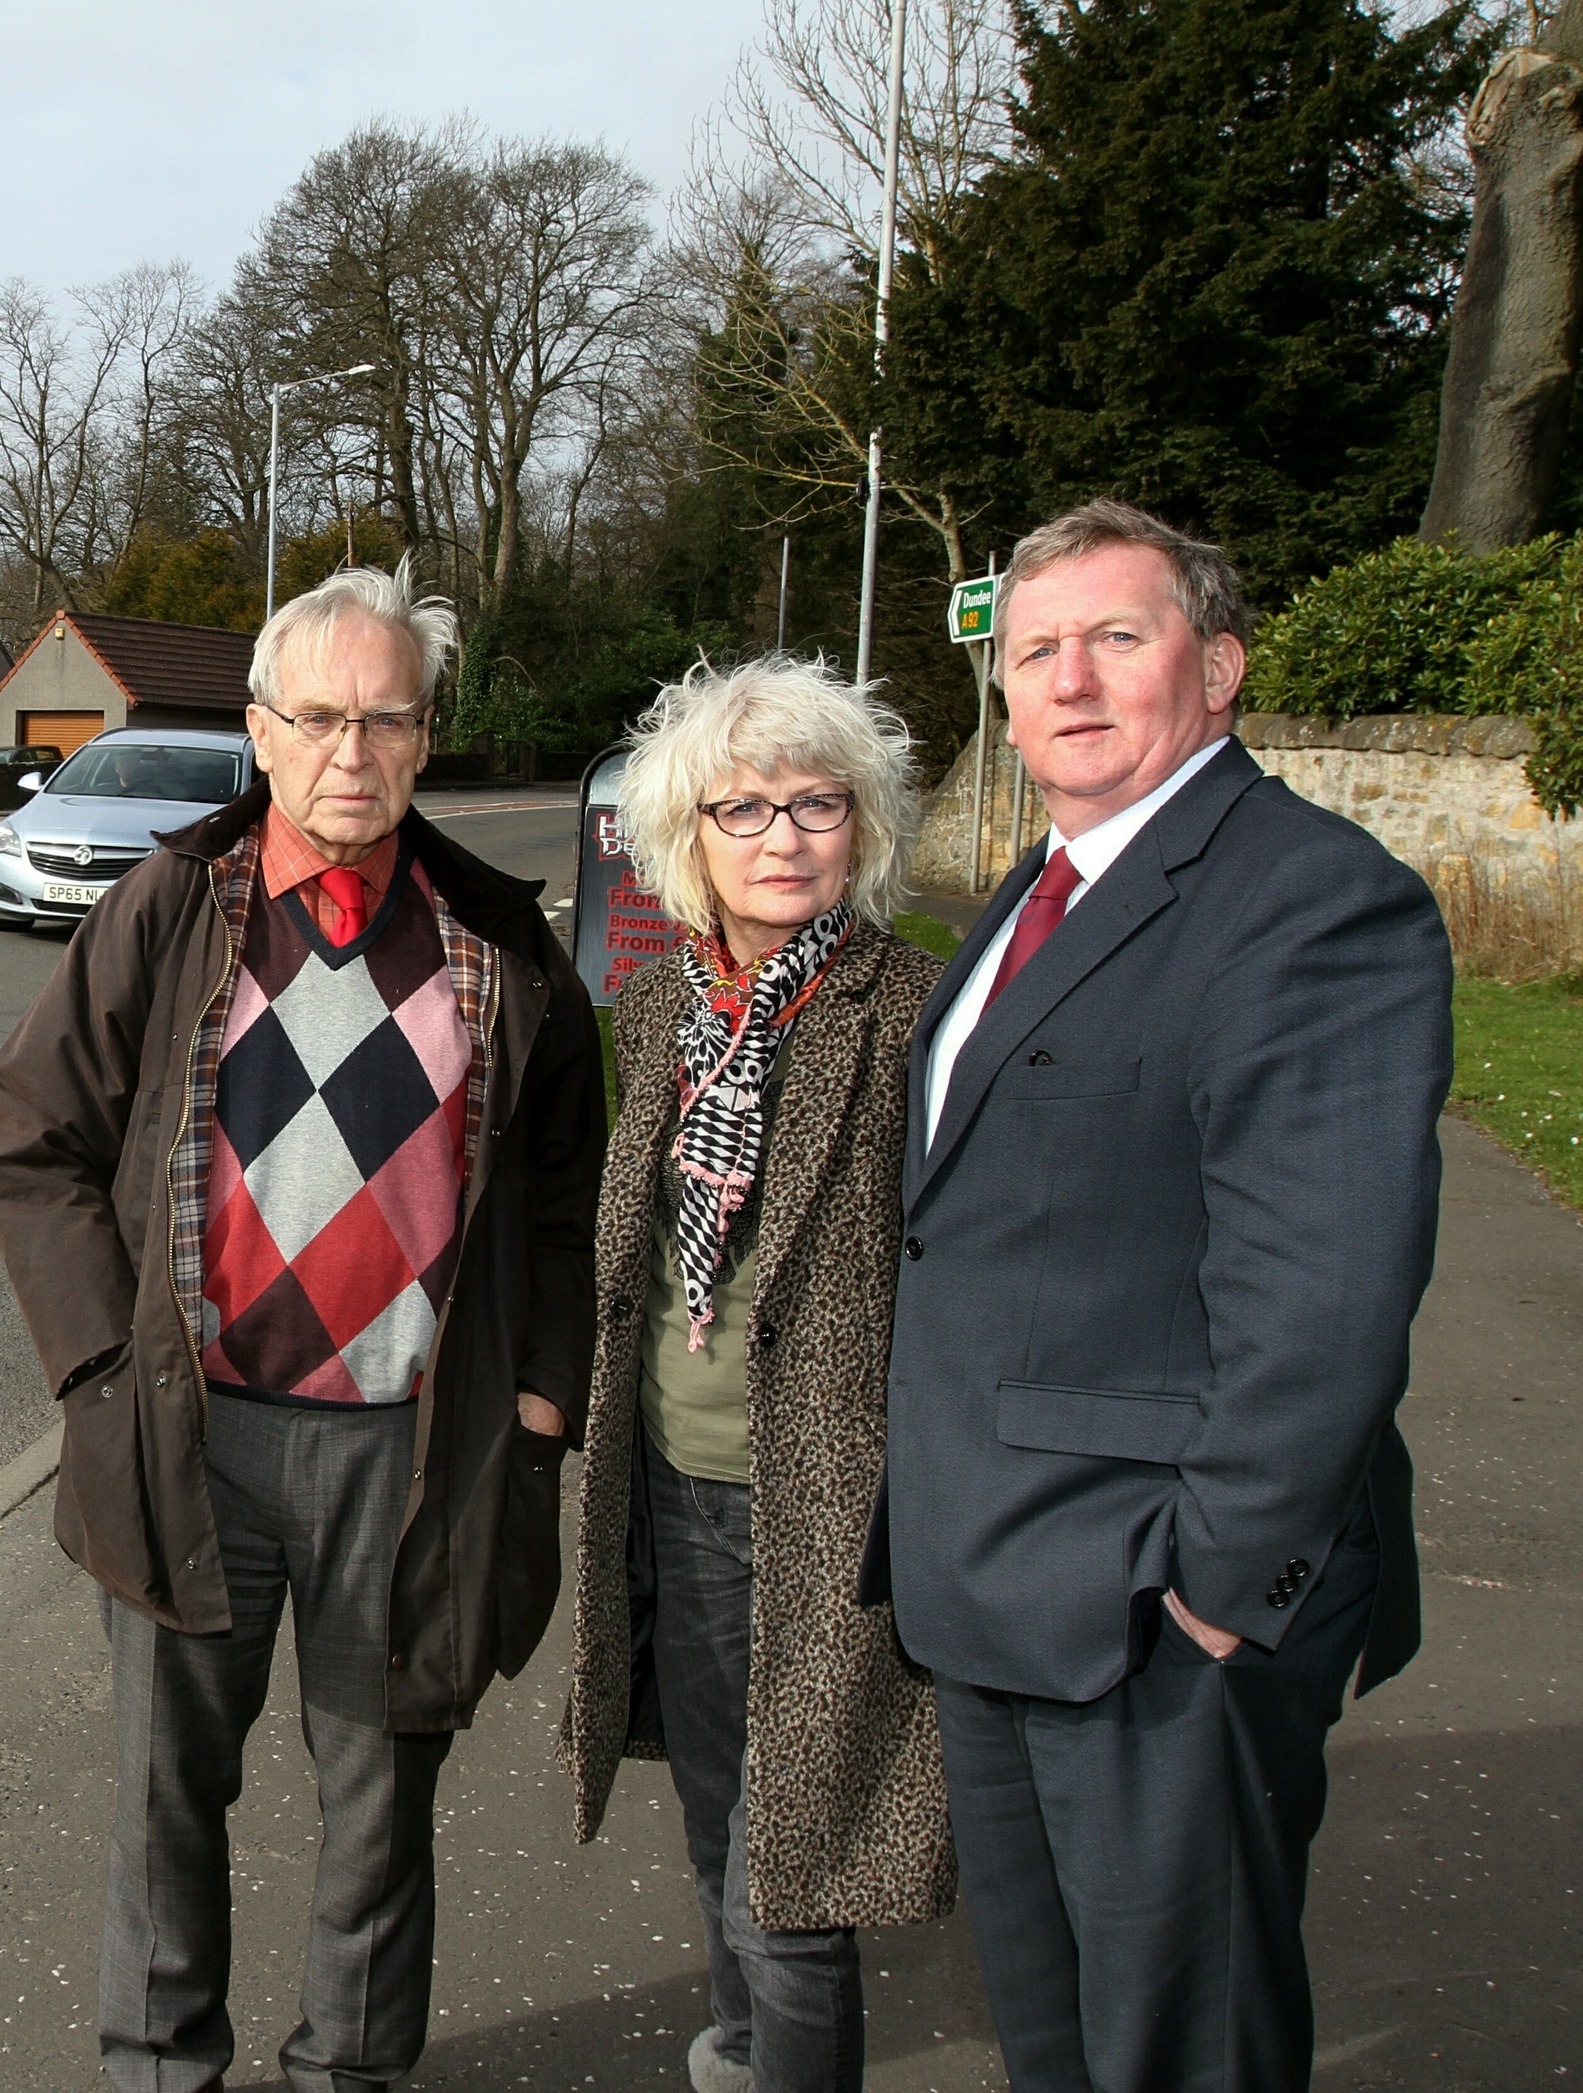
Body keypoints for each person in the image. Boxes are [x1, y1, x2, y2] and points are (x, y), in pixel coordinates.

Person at [0, 559, 606, 2093]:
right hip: (194, 1439)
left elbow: (565, 1205)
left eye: (386, 719)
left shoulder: (504, 947)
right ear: (258, 731)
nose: (352, 752)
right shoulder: (165, 912)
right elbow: (33, 1135)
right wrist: (100, 1373)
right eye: (318, 717)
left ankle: (352, 2074)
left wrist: (538, 1402)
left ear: (426, 734)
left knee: (381, 1815)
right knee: (158, 1803)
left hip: (411, 1457)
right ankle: (160, 2068)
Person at [873, 500, 1450, 2091]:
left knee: (1181, 2054)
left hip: (1151, 1612)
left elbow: (1327, 1289)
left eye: (1117, 639)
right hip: (993, 1590)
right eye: (1037, 650)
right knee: (1054, 2044)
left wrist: (1216, 1587)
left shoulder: (1309, 901)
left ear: (1219, 670)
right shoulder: (1037, 886)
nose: (1069, 680)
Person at [552, 657, 953, 2093]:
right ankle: (738, 2054)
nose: (781, 837)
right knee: (722, 1819)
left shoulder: (917, 1010)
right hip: (673, 1484)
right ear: (685, 837)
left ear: (866, 824)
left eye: (815, 804)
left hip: (835, 1506)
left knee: (797, 1865)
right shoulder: (659, 1008)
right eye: (742, 808)